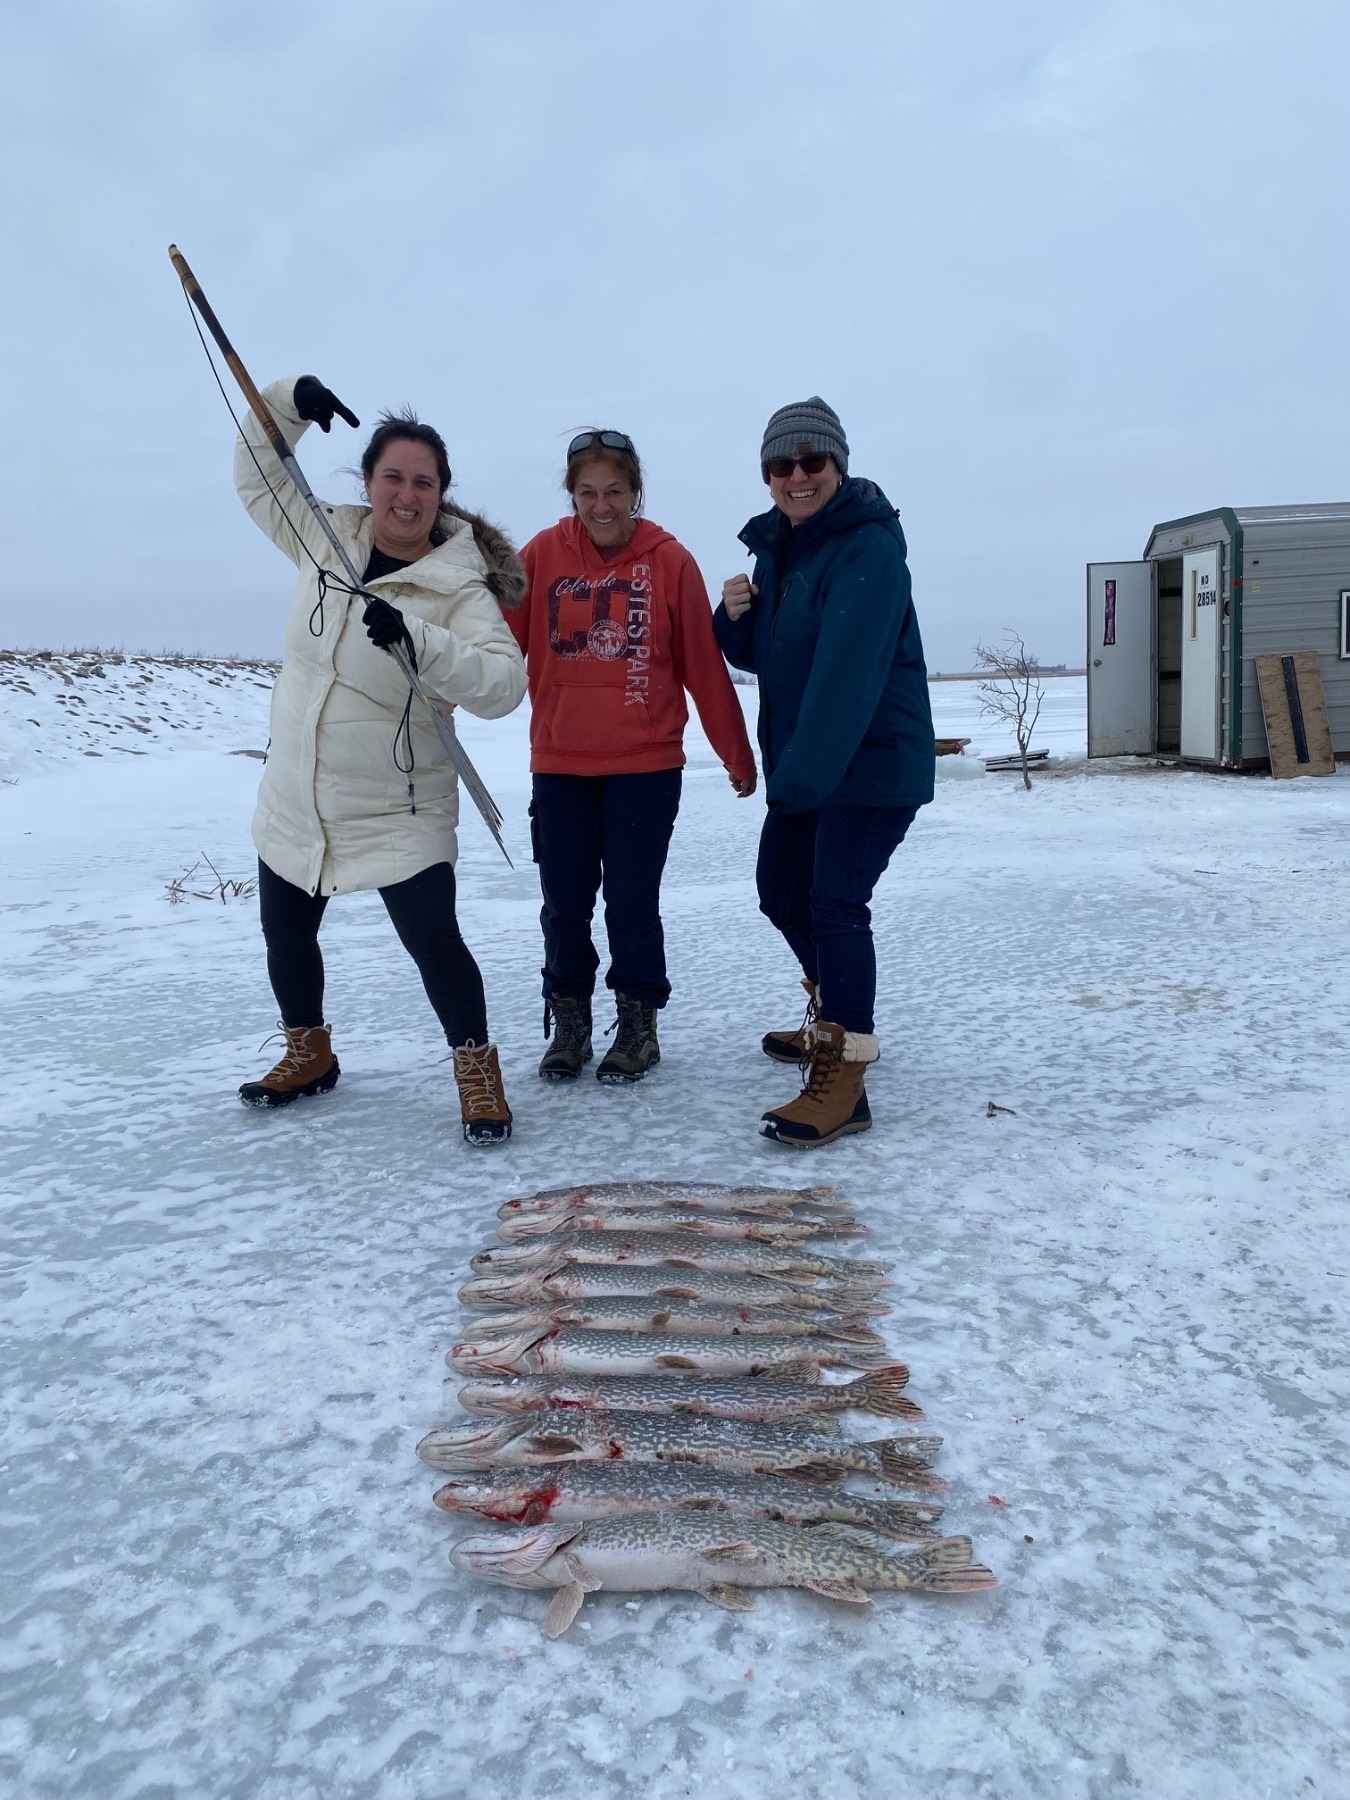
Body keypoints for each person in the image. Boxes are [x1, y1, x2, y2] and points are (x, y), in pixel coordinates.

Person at [233, 374, 527, 1144]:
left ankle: (476, 1070)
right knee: (286, 933)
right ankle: (309, 1052)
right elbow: (257, 475)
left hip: (401, 803)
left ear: (442, 495)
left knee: (434, 943)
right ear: (367, 482)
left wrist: (418, 639)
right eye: (392, 476)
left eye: (423, 482)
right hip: (298, 789)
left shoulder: (458, 586)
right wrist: (288, 405)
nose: (406, 494)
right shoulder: (323, 536)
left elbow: (504, 686)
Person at [714, 397, 934, 1147]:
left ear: (838, 465)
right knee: (781, 892)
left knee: (835, 903)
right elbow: (767, 655)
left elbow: (846, 679)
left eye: (812, 460)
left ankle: (845, 1076)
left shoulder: (867, 549)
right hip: (813, 762)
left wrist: (796, 783)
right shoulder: (785, 548)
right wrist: (733, 619)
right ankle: (831, 1011)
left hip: (872, 765)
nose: (797, 475)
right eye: (782, 464)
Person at [511, 428, 757, 1083]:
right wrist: (442, 695)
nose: (602, 505)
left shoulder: (669, 562)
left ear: (635, 492)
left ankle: (638, 1026)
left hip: (645, 768)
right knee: (564, 905)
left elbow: (703, 667)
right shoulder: (540, 555)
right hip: (559, 764)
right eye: (588, 492)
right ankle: (570, 1023)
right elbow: (492, 643)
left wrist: (736, 753)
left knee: (631, 903)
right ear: (571, 494)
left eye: (614, 491)